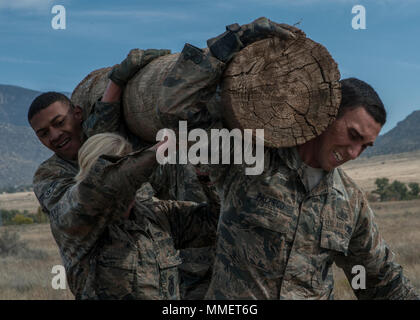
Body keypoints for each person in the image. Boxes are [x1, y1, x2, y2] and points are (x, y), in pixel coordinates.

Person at [150, 18, 420, 299]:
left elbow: (382, 280)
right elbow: (174, 109)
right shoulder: (250, 158)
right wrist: (232, 41)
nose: (353, 153)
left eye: (365, 146)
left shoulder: (349, 203)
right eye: (352, 135)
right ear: (327, 113)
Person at [72, 132, 217, 299]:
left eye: (128, 166)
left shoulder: (157, 215)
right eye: (118, 171)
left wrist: (205, 174)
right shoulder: (79, 223)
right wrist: (162, 148)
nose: (126, 178)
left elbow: (213, 223)